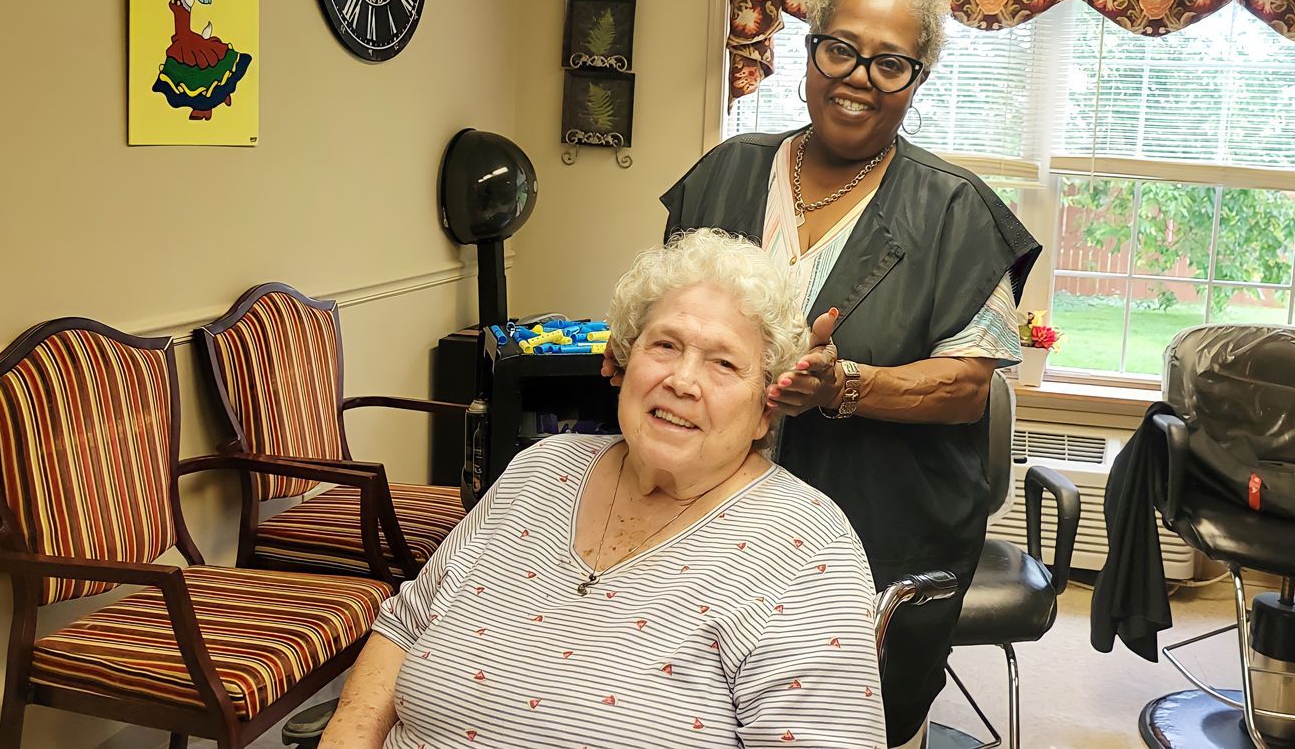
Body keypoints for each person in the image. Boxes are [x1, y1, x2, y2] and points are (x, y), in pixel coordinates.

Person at [656, 0, 1041, 747]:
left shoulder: (957, 212)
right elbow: (667, 315)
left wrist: (845, 386)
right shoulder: (726, 173)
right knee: (690, 705)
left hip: (874, 516)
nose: (859, 77)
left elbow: (967, 387)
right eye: (841, 49)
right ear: (810, 48)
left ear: (917, 81)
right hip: (702, 513)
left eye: (890, 63)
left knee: (838, 717)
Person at [322, 229, 887, 748]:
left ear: (767, 405)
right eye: (664, 345)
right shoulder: (541, 469)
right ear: (622, 360)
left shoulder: (806, 548)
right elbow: (403, 626)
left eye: (723, 363)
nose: (682, 381)